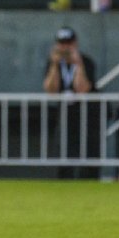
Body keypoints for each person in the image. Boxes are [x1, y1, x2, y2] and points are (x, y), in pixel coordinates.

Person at [41, 27, 99, 179]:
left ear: (75, 43)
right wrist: (54, 65)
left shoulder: (86, 62)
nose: (65, 47)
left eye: (69, 43)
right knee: (64, 152)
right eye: (62, 44)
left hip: (86, 116)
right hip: (64, 115)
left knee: (88, 152)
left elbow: (83, 88)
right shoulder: (54, 63)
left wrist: (78, 64)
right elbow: (50, 89)